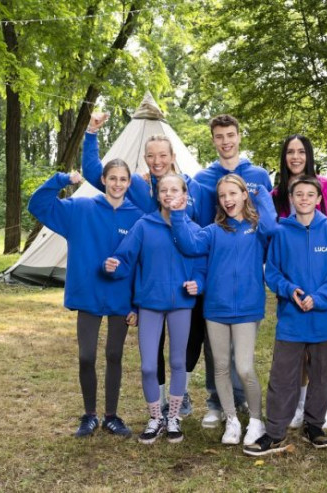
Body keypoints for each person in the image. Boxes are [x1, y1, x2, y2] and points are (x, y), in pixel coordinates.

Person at [82, 113, 205, 418]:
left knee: (189, 341)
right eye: (150, 156)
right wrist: (91, 133)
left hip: (184, 282)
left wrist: (200, 277)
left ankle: (182, 392)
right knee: (153, 346)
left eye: (162, 155)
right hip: (150, 279)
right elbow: (95, 173)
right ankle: (160, 402)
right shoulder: (139, 186)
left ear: (173, 156)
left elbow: (203, 233)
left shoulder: (193, 188)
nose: (156, 161)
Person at [27, 163, 142, 438]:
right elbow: (38, 205)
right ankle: (89, 415)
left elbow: (143, 262)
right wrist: (62, 179)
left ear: (129, 183)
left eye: (123, 179)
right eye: (112, 178)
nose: (117, 184)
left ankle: (111, 416)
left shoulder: (138, 217)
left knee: (114, 355)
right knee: (86, 356)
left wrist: (137, 304)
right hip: (89, 294)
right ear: (103, 180)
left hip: (121, 296)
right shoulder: (80, 209)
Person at [244, 176, 327, 456]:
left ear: (319, 199)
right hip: (292, 319)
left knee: (322, 376)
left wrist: (319, 298)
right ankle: (275, 432)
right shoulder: (281, 232)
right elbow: (273, 272)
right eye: (298, 194)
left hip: (324, 319)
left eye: (310, 194)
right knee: (282, 377)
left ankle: (314, 426)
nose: (304, 198)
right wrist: (290, 290)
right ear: (291, 198)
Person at [170, 174, 276, 446]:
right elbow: (188, 244)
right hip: (216, 309)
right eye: (222, 195)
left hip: (247, 309)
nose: (228, 199)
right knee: (220, 367)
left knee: (244, 367)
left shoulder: (257, 228)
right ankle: (231, 419)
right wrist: (178, 214)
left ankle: (256, 420)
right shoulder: (213, 231)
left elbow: (272, 227)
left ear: (244, 195)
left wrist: (262, 195)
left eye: (233, 193)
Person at [104, 174, 206, 445]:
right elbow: (125, 258)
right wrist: (113, 265)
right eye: (164, 190)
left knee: (178, 363)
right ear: (157, 195)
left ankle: (173, 418)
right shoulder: (144, 225)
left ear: (184, 195)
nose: (169, 194)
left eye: (175, 190)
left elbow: (201, 266)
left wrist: (198, 283)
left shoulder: (194, 229)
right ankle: (155, 418)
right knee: (149, 366)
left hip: (181, 304)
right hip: (149, 303)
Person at [191, 114, 274, 429]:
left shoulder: (258, 175)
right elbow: (197, 219)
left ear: (239, 136)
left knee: (242, 356)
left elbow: (268, 222)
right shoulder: (203, 178)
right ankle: (217, 402)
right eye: (219, 136)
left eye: (230, 135)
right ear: (213, 140)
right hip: (215, 270)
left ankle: (244, 402)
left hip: (246, 277)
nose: (225, 141)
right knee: (216, 350)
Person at [272, 134, 327, 429]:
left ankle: (320, 409)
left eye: (301, 151)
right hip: (293, 291)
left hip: (324, 290)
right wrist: (286, 286)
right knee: (291, 359)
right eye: (290, 152)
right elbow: (272, 251)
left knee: (321, 360)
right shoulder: (277, 199)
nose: (295, 157)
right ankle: (296, 409)